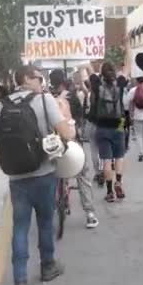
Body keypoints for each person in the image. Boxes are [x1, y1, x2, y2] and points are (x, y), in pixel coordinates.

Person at [0, 64, 75, 285]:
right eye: (37, 78)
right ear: (25, 78)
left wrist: (4, 164)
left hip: (16, 179)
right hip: (43, 174)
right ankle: (48, 266)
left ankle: (20, 282)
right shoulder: (45, 101)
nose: (41, 82)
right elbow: (67, 134)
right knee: (45, 223)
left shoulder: (0, 106)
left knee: (20, 227)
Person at [49, 69, 99, 229]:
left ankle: (54, 205)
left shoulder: (47, 99)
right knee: (82, 176)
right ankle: (90, 214)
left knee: (53, 174)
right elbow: (80, 118)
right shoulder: (71, 96)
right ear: (64, 81)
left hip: (54, 143)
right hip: (73, 141)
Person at [89, 62, 127, 202]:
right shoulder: (121, 84)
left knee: (106, 160)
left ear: (102, 73)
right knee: (119, 157)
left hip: (102, 126)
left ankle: (110, 191)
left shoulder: (97, 84)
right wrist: (127, 46)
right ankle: (118, 182)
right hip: (118, 125)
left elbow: (88, 68)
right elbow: (128, 66)